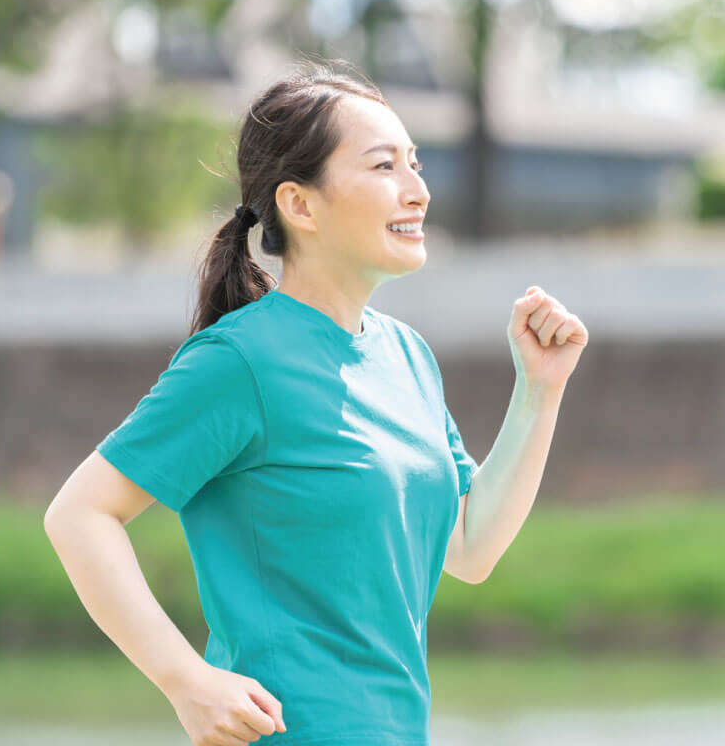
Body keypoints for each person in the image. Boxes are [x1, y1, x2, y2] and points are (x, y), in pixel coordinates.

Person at [44, 57, 588, 746]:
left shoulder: (407, 356)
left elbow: (471, 545)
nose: (416, 190)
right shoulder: (241, 360)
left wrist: (541, 390)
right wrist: (185, 680)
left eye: (415, 165)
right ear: (299, 204)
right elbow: (80, 514)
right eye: (384, 167)